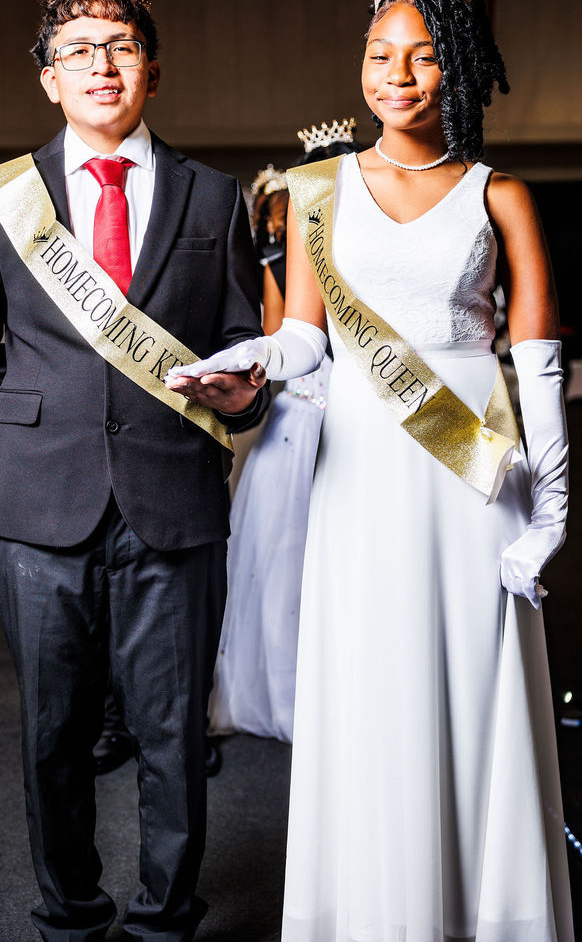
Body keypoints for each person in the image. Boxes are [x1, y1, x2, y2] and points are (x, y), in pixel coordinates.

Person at [168, 0, 573, 941]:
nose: (396, 74)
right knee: (368, 683)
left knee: (469, 685)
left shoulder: (500, 194)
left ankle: (480, 912)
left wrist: (552, 517)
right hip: (357, 468)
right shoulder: (317, 188)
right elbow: (305, 339)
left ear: (458, 66)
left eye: (422, 55)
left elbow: (538, 364)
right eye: (378, 53)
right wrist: (244, 359)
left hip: (468, 469)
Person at [0, 0, 268, 942]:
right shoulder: (3, 195)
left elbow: (243, 345)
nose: (101, 66)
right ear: (49, 77)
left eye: (120, 47)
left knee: (172, 733)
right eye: (78, 51)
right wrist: (45, 420)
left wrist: (238, 395)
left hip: (175, 502)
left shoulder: (213, 198)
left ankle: (164, 921)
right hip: (41, 508)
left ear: (152, 71)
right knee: (52, 733)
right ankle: (71, 916)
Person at [208, 122, 362, 743]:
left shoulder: (281, 253)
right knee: (314, 564)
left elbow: (276, 335)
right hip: (322, 417)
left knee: (285, 568)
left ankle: (299, 694)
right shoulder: (342, 246)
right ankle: (331, 697)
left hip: (304, 413)